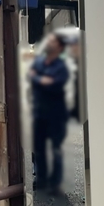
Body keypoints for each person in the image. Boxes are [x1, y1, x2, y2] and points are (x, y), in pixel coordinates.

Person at [30, 32, 69, 196]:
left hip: (56, 115)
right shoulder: (39, 61)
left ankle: (56, 184)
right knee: (38, 149)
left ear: (59, 47)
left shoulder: (61, 67)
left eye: (52, 41)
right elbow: (31, 78)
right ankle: (40, 180)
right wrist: (41, 80)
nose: (48, 42)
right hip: (38, 113)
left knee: (56, 150)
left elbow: (52, 84)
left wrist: (38, 79)